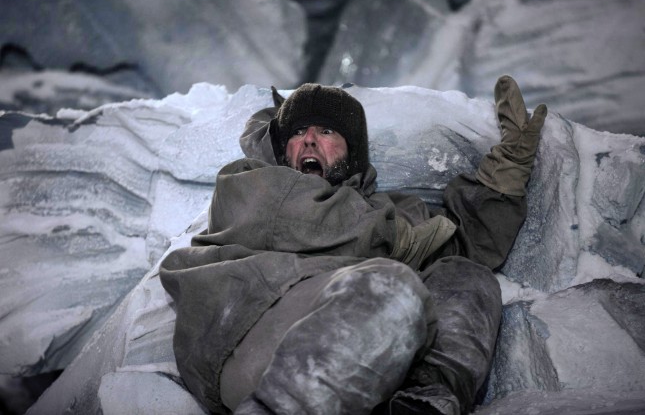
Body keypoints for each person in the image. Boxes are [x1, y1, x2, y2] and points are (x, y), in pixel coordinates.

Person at [159, 76, 547, 415]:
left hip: (359, 359)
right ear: (283, 147)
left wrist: (508, 170)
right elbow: (320, 224)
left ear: (352, 151)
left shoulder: (387, 212)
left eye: (327, 131)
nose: (309, 139)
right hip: (248, 341)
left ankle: (423, 402)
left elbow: (461, 245)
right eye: (297, 131)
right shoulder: (251, 182)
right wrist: (405, 244)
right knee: (391, 289)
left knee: (466, 276)